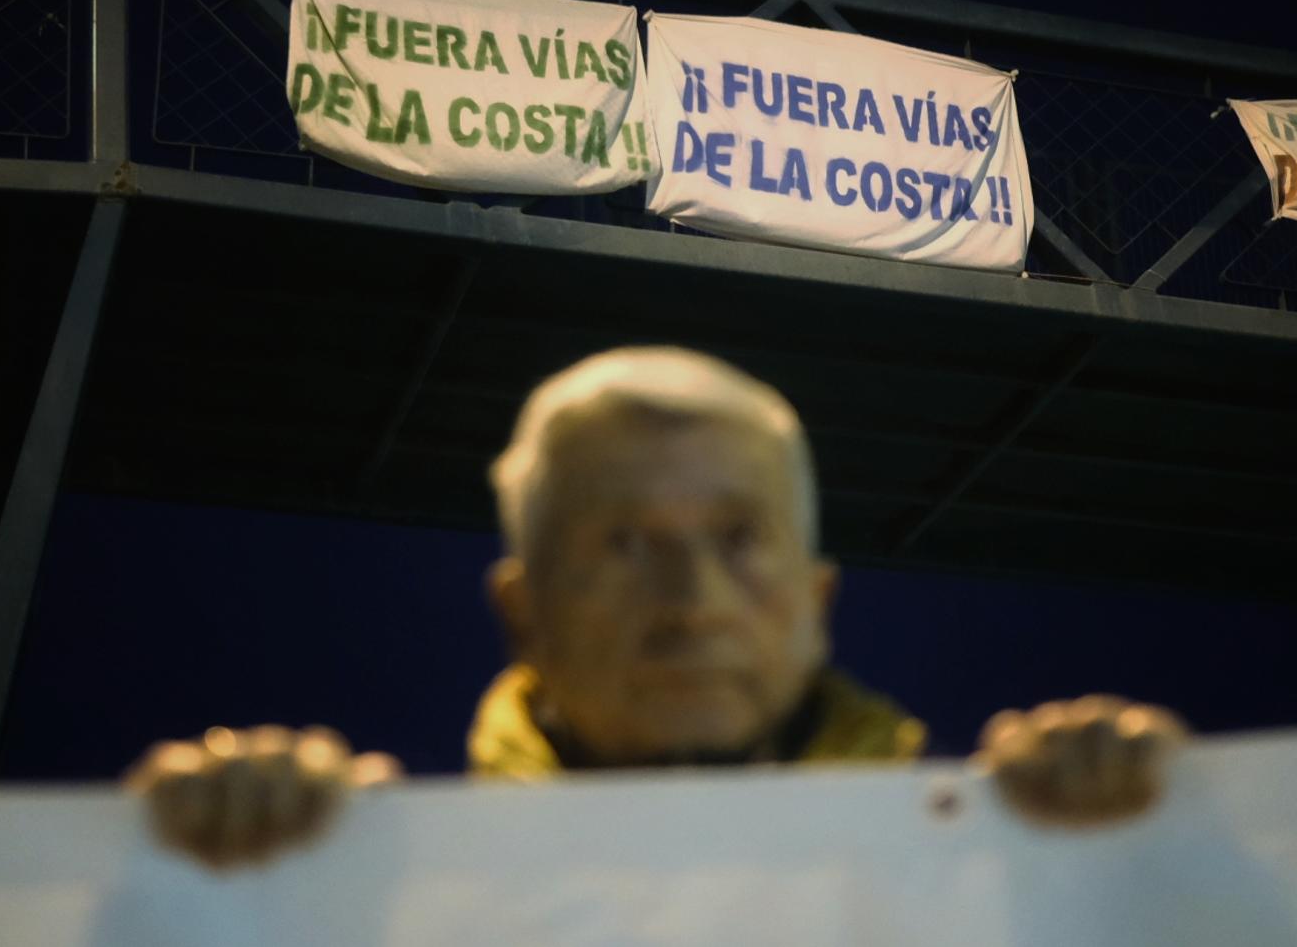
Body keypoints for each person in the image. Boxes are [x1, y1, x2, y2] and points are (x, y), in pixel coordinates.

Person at [129, 347, 1186, 867]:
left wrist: (1133, 871)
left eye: (738, 540)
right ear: (521, 613)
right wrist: (212, 898)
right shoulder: (355, 890)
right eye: (621, 544)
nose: (690, 604)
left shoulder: (1002, 874)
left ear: (818, 604)